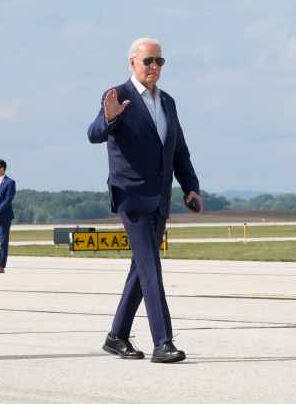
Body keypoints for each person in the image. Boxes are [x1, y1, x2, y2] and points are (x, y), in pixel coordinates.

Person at [88, 37, 203, 363]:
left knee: (141, 267)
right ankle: (162, 342)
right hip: (132, 195)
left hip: (160, 196)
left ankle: (117, 336)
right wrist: (109, 119)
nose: (154, 67)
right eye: (148, 61)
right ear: (132, 63)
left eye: (159, 61)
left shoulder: (167, 101)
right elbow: (94, 133)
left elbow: (178, 149)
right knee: (151, 268)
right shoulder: (117, 96)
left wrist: (190, 187)